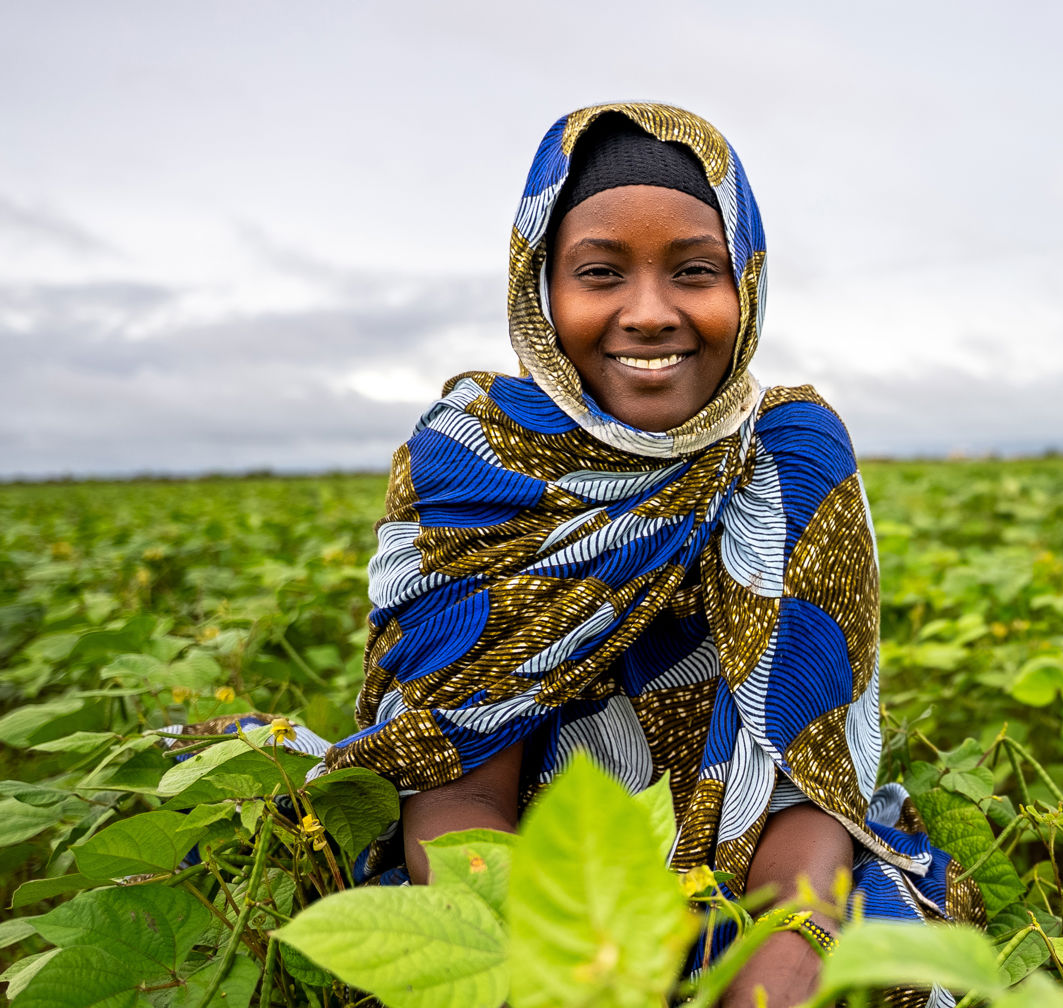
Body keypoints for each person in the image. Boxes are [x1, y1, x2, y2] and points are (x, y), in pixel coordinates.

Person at [322, 102, 980, 1008]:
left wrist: (787, 954)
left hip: (760, 879)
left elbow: (806, 792)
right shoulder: (476, 463)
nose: (648, 314)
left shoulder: (792, 454)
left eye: (695, 271)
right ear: (539, 288)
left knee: (885, 981)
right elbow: (458, 794)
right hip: (534, 890)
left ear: (743, 283)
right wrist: (552, 973)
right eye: (599, 273)